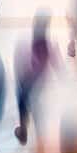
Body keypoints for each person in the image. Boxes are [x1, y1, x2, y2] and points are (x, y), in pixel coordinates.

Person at [14, 11, 62, 145]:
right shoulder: (50, 45)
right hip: (40, 84)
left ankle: (23, 133)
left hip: (25, 85)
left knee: (23, 108)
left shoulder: (25, 45)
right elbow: (58, 66)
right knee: (36, 109)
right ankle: (40, 136)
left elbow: (19, 66)